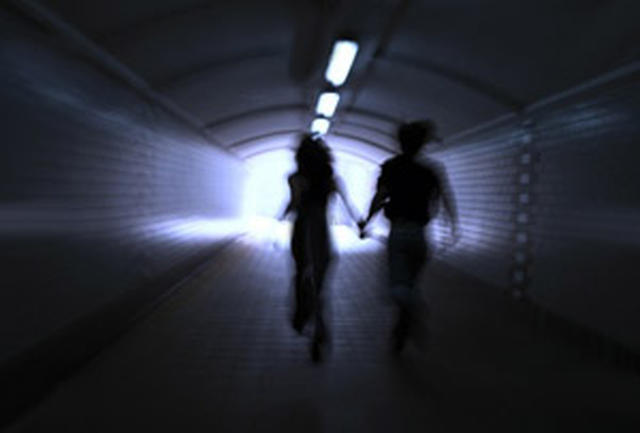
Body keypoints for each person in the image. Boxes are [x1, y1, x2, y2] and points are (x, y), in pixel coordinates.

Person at [358, 120, 458, 353]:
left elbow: (380, 197)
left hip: (399, 233)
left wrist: (366, 221)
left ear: (400, 143)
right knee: (411, 282)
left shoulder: (391, 167)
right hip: (421, 235)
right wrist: (453, 226)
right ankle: (401, 331)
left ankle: (414, 311)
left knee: (398, 286)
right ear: (421, 144)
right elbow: (445, 198)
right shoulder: (430, 170)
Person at [281, 134, 360, 362]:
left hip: (302, 232)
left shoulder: (295, 178)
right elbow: (348, 205)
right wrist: (360, 224)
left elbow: (294, 203)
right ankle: (319, 325)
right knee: (320, 283)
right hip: (321, 233)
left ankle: (302, 315)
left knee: (301, 274)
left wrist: (282, 215)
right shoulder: (331, 179)